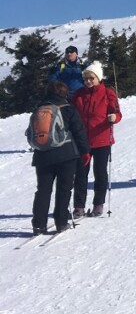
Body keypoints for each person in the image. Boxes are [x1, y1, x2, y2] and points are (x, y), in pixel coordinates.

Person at [31, 80, 90, 235]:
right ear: (65, 94)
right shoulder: (69, 109)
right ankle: (61, 222)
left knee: (43, 190)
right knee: (63, 189)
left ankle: (38, 224)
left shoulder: (39, 109)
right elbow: (79, 133)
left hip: (42, 156)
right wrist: (85, 152)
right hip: (66, 155)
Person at [71, 63, 122, 218]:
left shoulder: (107, 93)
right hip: (82, 141)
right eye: (86, 78)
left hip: (102, 140)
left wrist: (114, 117)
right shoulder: (78, 95)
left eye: (91, 78)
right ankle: (79, 206)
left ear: (98, 78)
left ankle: (98, 204)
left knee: (100, 173)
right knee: (80, 174)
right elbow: (72, 114)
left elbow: (117, 113)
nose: (88, 81)